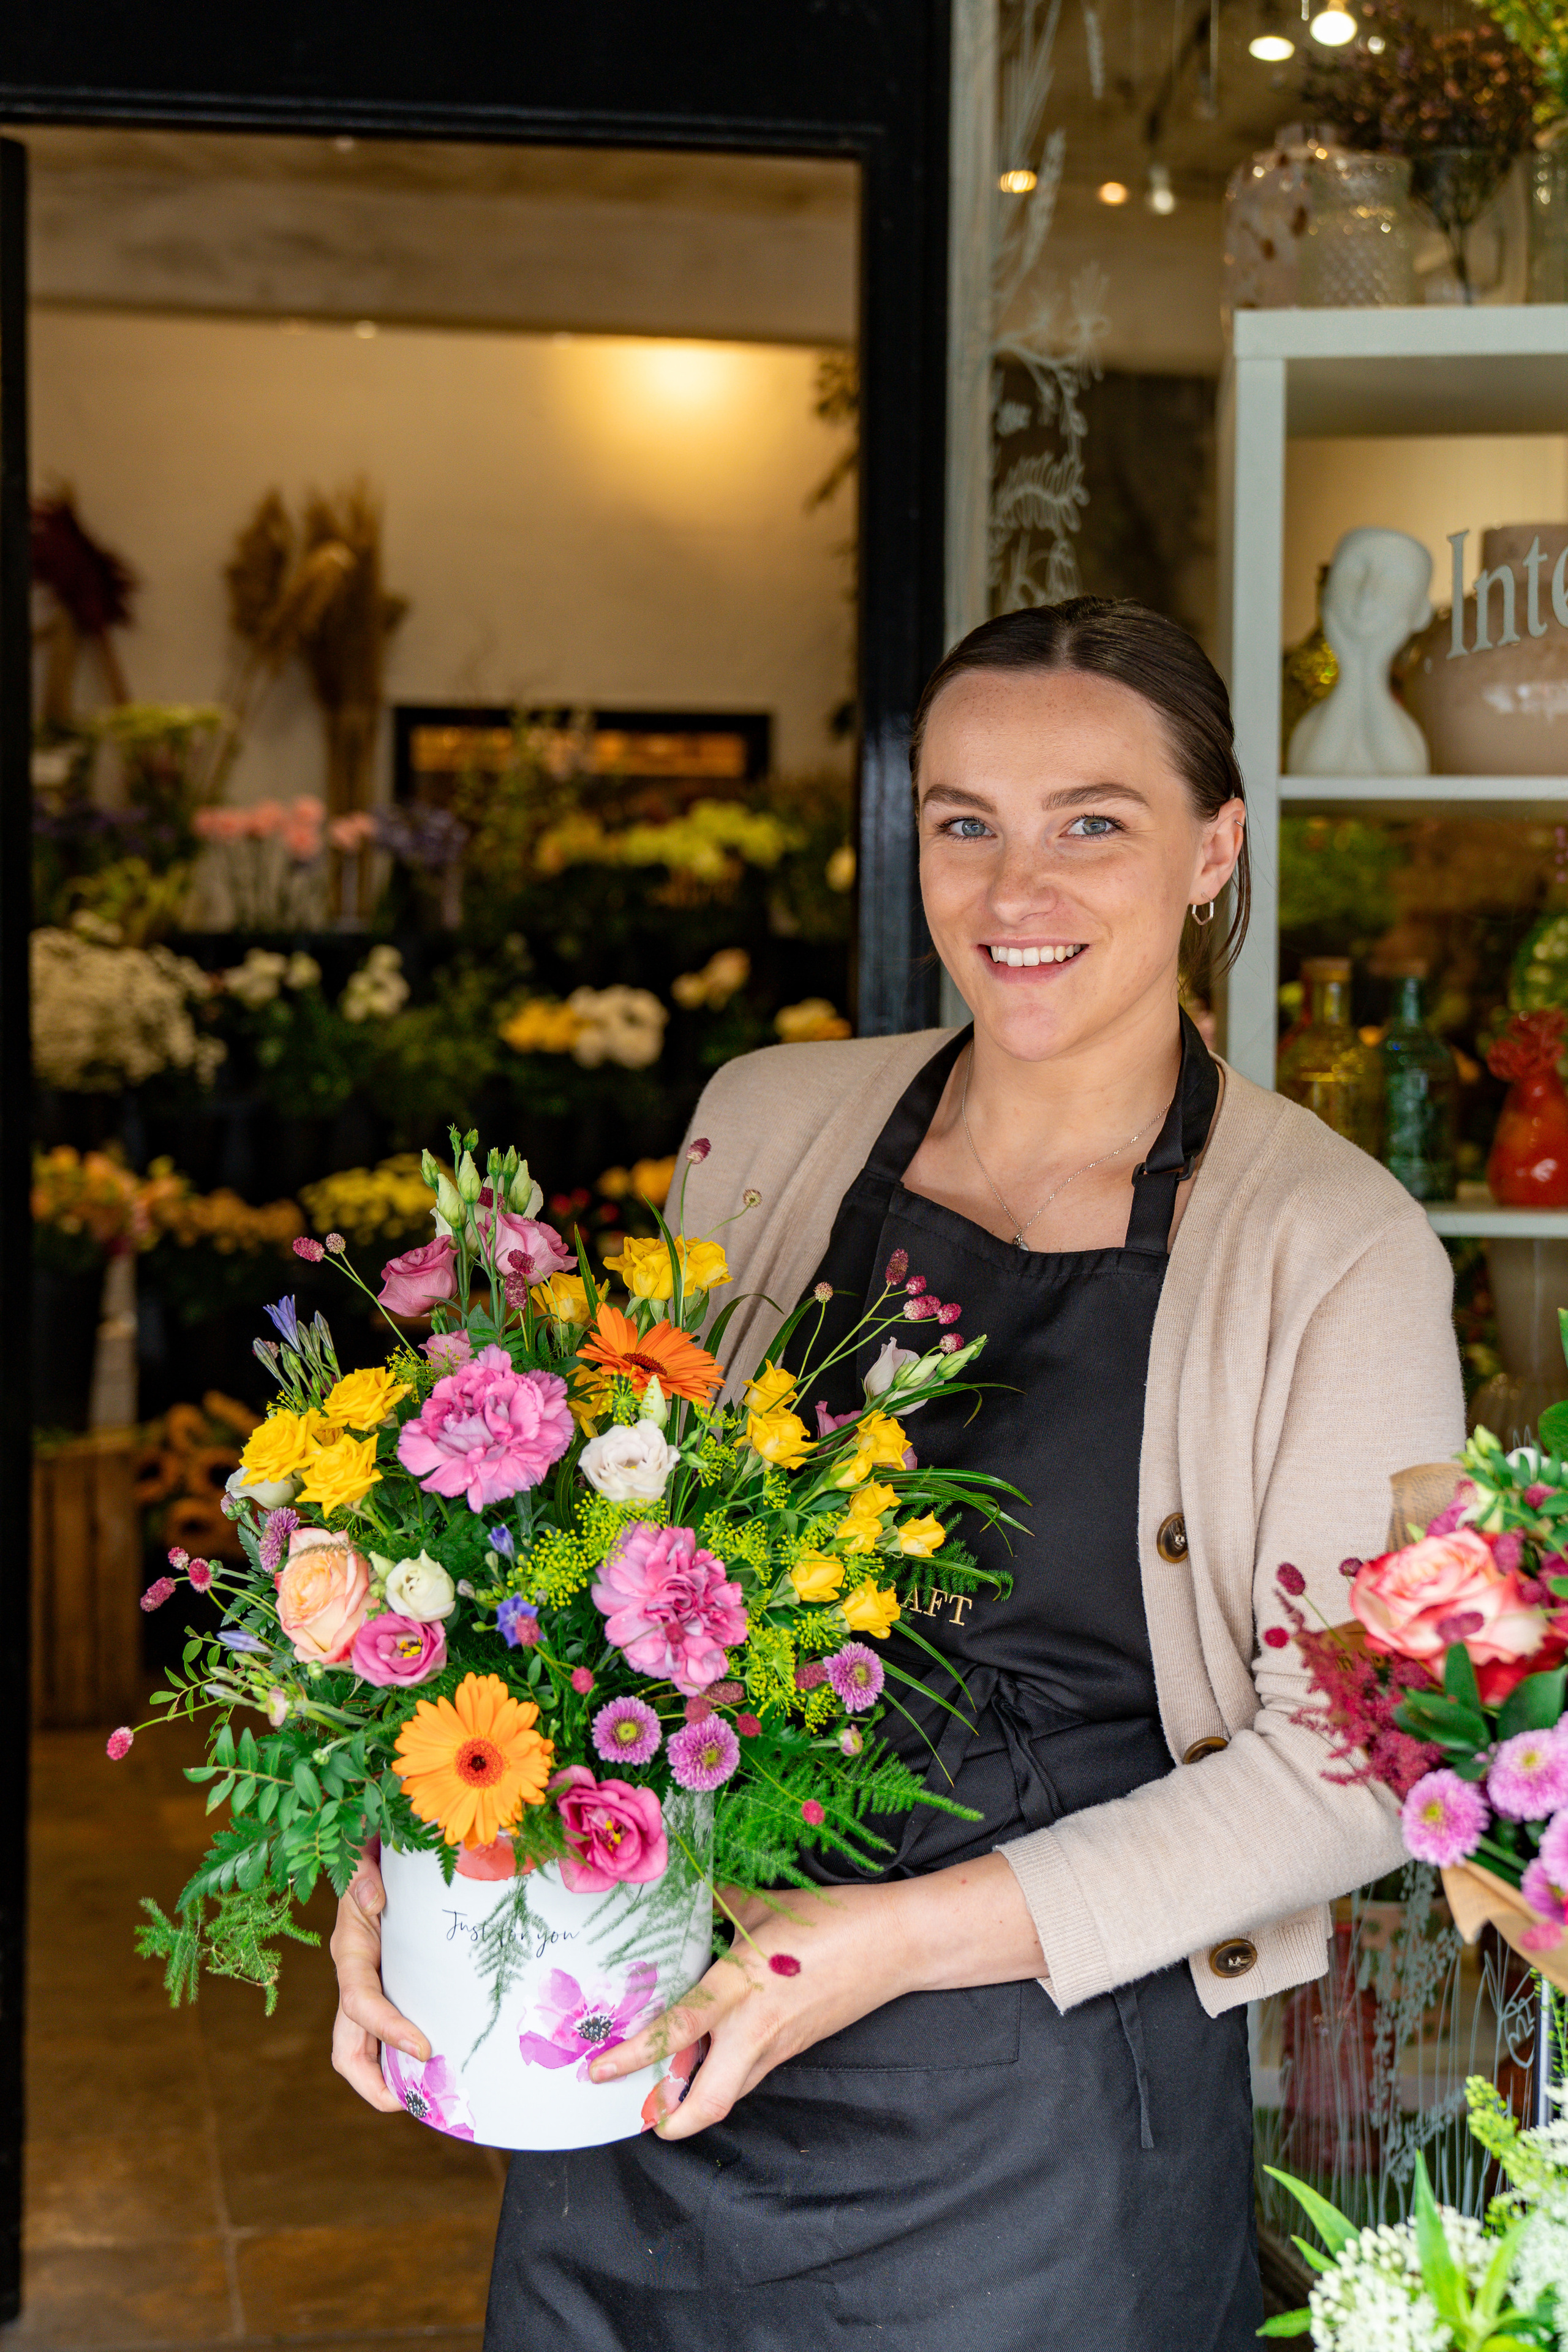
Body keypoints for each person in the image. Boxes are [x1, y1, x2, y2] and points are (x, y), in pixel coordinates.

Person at [330, 600, 1463, 2350]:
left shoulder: (1337, 1250)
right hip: (668, 2055)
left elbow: (1364, 1765)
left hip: (1041, 2117)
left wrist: (875, 1945)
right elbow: (578, 1584)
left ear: (1216, 846)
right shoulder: (766, 1124)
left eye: (1094, 820)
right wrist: (411, 1890)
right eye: (964, 822)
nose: (1018, 892)